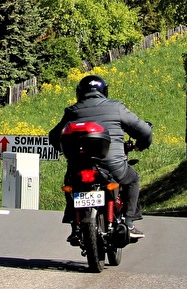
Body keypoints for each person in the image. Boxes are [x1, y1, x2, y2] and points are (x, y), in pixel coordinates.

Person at [48, 74, 153, 242]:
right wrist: (142, 144)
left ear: (79, 93)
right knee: (133, 179)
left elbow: (54, 137)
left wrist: (61, 148)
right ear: (104, 91)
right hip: (113, 166)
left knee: (71, 184)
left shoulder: (72, 111)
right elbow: (144, 131)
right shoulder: (116, 108)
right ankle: (129, 222)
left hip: (78, 166)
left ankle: (74, 225)